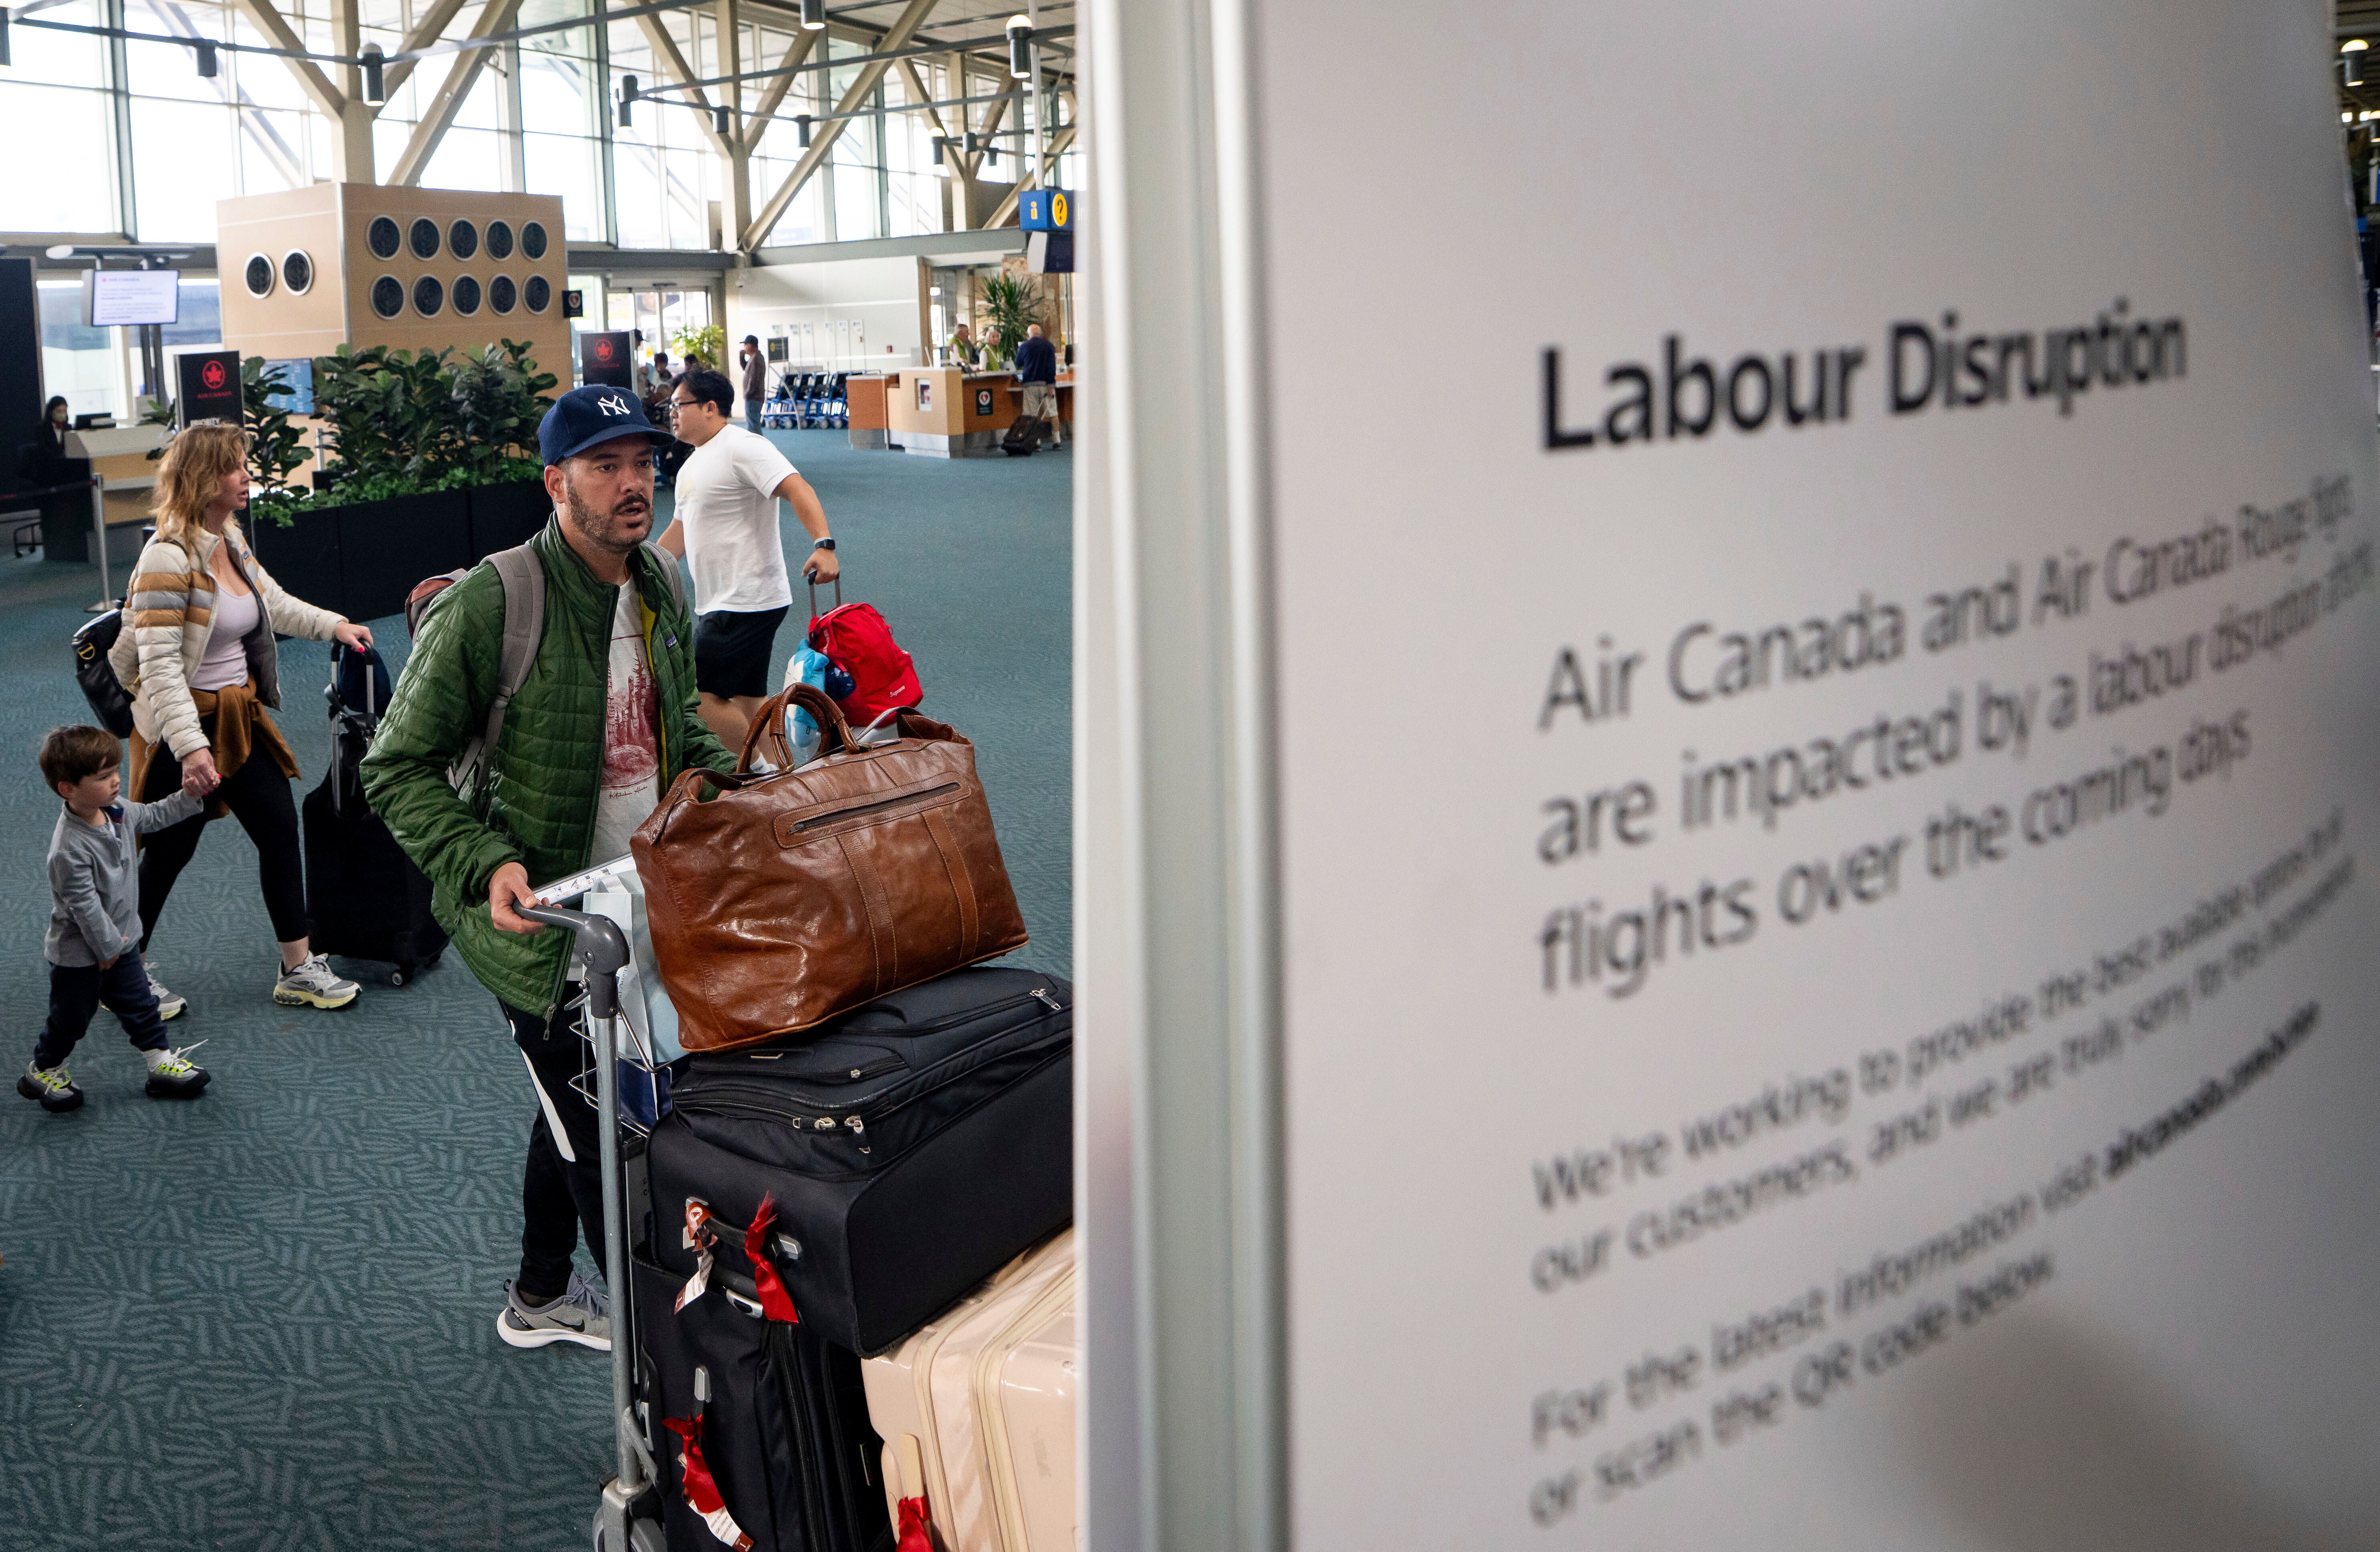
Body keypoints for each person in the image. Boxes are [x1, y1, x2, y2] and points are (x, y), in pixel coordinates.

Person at [361, 385, 738, 1353]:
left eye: (642, 463)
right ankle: (665, 1364)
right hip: (542, 930)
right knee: (608, 1148)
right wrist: (482, 860)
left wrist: (740, 787)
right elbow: (393, 766)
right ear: (555, 483)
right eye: (604, 466)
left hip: (642, 908)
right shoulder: (496, 602)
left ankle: (537, 1294)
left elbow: (678, 728)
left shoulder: (660, 583)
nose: (632, 483)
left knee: (571, 1109)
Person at [107, 421, 372, 1016]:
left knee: (278, 831)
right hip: (183, 728)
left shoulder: (228, 537)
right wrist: (192, 748)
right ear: (205, 478)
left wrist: (334, 624)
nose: (246, 475)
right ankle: (120, 970)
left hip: (237, 718)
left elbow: (272, 603)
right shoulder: (165, 558)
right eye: (234, 466)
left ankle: (297, 967)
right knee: (169, 852)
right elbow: (160, 669)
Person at [18, 726, 209, 1114]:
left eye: (116, 771)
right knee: (71, 1020)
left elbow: (153, 815)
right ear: (68, 789)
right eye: (103, 777)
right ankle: (43, 1069)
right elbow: (84, 906)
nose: (116, 781)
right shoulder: (68, 849)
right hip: (80, 956)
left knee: (142, 1006)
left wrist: (189, 797)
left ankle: (160, 1063)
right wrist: (107, 949)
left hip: (122, 942)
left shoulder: (117, 810)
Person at [653, 366, 839, 747]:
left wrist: (824, 545)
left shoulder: (743, 446)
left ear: (710, 407)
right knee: (748, 699)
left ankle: (756, 771)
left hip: (745, 599)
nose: (672, 412)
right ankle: (776, 773)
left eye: (679, 404)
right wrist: (641, 568)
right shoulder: (691, 464)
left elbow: (797, 488)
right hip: (722, 600)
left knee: (697, 698)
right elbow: (680, 532)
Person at [1015, 322, 1061, 446]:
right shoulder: (1049, 346)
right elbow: (1052, 366)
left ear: (1028, 335)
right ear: (1040, 334)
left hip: (1030, 384)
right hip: (1046, 384)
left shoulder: (1024, 346)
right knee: (1053, 413)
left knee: (1031, 415)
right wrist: (1051, 384)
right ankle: (1057, 441)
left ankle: (1036, 442)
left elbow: (1018, 363)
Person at [738, 334, 768, 435]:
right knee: (754, 425)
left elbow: (753, 380)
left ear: (750, 346)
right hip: (755, 397)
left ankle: (757, 444)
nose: (744, 348)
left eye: (745, 345)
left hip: (753, 398)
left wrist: (748, 394)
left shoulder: (756, 359)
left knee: (753, 427)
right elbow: (745, 368)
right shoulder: (755, 357)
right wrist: (742, 357)